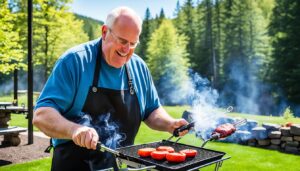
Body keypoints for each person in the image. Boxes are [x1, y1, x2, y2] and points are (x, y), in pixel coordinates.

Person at [33, 6, 189, 171]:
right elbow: (41, 115)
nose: (126, 49)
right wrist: (75, 130)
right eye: (122, 41)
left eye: (133, 44)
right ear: (104, 32)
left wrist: (170, 123)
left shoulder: (139, 67)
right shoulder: (75, 61)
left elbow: (151, 110)